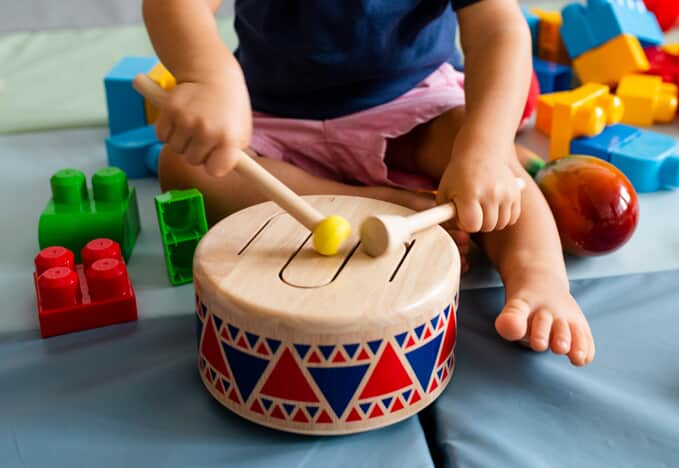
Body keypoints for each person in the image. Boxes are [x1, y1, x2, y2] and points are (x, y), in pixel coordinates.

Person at [143, 0, 595, 365]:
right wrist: (209, 77)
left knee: (495, 168)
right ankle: (380, 203)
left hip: (411, 103)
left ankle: (539, 279)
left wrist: (486, 147)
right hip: (271, 115)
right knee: (186, 166)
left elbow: (497, 27)